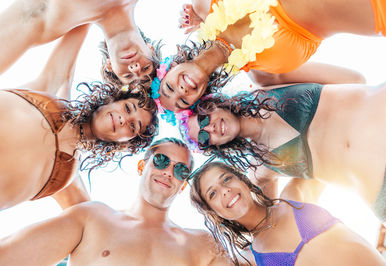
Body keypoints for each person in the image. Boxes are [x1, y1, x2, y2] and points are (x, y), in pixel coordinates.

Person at [179, 78, 386, 235]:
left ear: (212, 104)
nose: (211, 130)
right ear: (215, 147)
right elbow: (266, 224)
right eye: (204, 139)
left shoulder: (266, 82)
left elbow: (353, 78)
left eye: (204, 120)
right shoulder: (259, 169)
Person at [0, 138, 234, 266]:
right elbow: (9, 255)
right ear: (142, 166)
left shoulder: (202, 244)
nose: (168, 172)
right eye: (161, 160)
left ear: (183, 184)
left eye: (181, 170)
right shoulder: (92, 219)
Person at [0, 25, 159, 211]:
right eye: (127, 108)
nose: (124, 119)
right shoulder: (49, 93)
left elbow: (99, 227)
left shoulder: (66, 178)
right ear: (113, 99)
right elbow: (82, 21)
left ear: (124, 143)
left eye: (132, 127)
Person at [155, 0, 386, 111]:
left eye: (169, 88)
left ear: (172, 67)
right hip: (382, 13)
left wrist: (201, 19)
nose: (181, 91)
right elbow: (354, 79)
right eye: (184, 101)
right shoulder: (264, 76)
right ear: (202, 96)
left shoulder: (205, 5)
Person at [190, 161, 386, 266]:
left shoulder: (293, 197)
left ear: (242, 180)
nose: (225, 190)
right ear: (215, 212)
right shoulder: (248, 259)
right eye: (213, 193)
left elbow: (327, 157)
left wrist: (264, 173)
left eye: (226, 179)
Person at [0, 0, 162, 85]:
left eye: (127, 76)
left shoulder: (56, 21)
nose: (135, 68)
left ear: (109, 66)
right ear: (151, 50)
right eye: (146, 68)